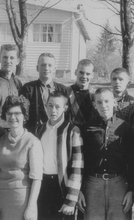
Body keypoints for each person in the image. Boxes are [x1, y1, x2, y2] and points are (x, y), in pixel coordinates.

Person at [78, 88, 134, 220]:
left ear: (114, 102)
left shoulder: (125, 127)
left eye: (107, 101)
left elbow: (132, 160)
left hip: (118, 183)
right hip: (92, 184)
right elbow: (79, 161)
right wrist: (78, 190)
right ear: (94, 105)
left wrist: (131, 190)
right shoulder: (86, 129)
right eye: (99, 102)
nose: (104, 105)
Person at [0, 95, 43, 220]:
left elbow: (37, 178)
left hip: (21, 200)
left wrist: (31, 207)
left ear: (24, 116)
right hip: (0, 199)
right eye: (9, 113)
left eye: (17, 113)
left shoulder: (33, 142)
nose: (12, 117)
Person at [35, 91, 84, 220]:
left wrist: (71, 200)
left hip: (62, 187)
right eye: (50, 105)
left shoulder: (73, 131)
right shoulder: (39, 130)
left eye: (57, 106)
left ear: (65, 108)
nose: (53, 110)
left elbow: (77, 168)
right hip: (42, 186)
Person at [21, 53, 70, 133]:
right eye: (43, 65)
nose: (46, 68)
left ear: (55, 68)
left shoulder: (63, 90)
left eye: (50, 65)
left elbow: (67, 114)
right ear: (37, 68)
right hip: (34, 132)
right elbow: (24, 113)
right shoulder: (28, 88)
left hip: (57, 132)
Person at [110, 67, 134, 135]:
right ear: (110, 82)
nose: (117, 82)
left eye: (121, 79)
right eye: (114, 79)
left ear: (128, 83)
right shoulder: (103, 101)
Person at [69, 59, 95, 127]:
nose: (84, 76)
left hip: (91, 132)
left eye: (88, 74)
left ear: (92, 75)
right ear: (75, 72)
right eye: (81, 72)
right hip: (71, 131)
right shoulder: (67, 92)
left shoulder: (95, 94)